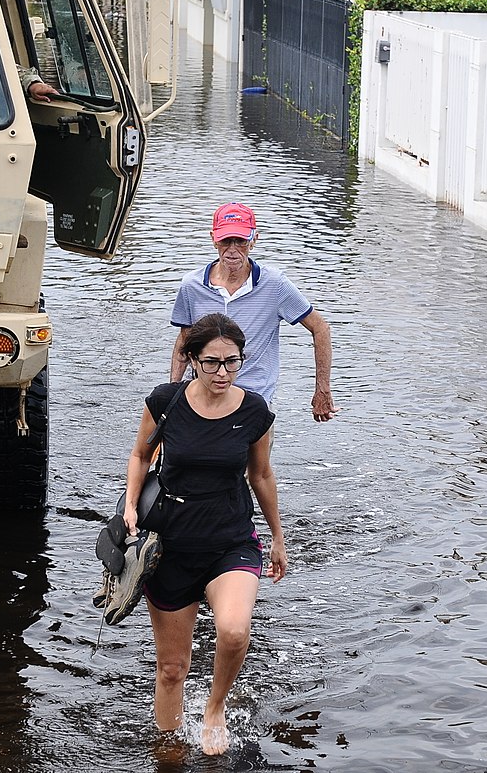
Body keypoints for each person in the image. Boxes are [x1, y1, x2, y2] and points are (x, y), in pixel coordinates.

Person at [122, 313, 286, 756]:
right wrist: (130, 505)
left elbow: (262, 475)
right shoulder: (165, 401)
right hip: (171, 545)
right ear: (192, 359)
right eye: (212, 363)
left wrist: (277, 536)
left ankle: (215, 707)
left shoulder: (254, 411)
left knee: (233, 631)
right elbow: (140, 455)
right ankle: (169, 752)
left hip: (230, 539)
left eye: (232, 363)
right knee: (172, 668)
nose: (222, 373)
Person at [170, 202, 337, 428]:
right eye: (226, 240)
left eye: (240, 241)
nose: (232, 249)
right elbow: (185, 340)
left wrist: (322, 389)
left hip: (254, 402)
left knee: (255, 465)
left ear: (254, 239)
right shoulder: (192, 286)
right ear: (213, 239)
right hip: (202, 400)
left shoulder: (274, 285)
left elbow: (320, 328)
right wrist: (172, 393)